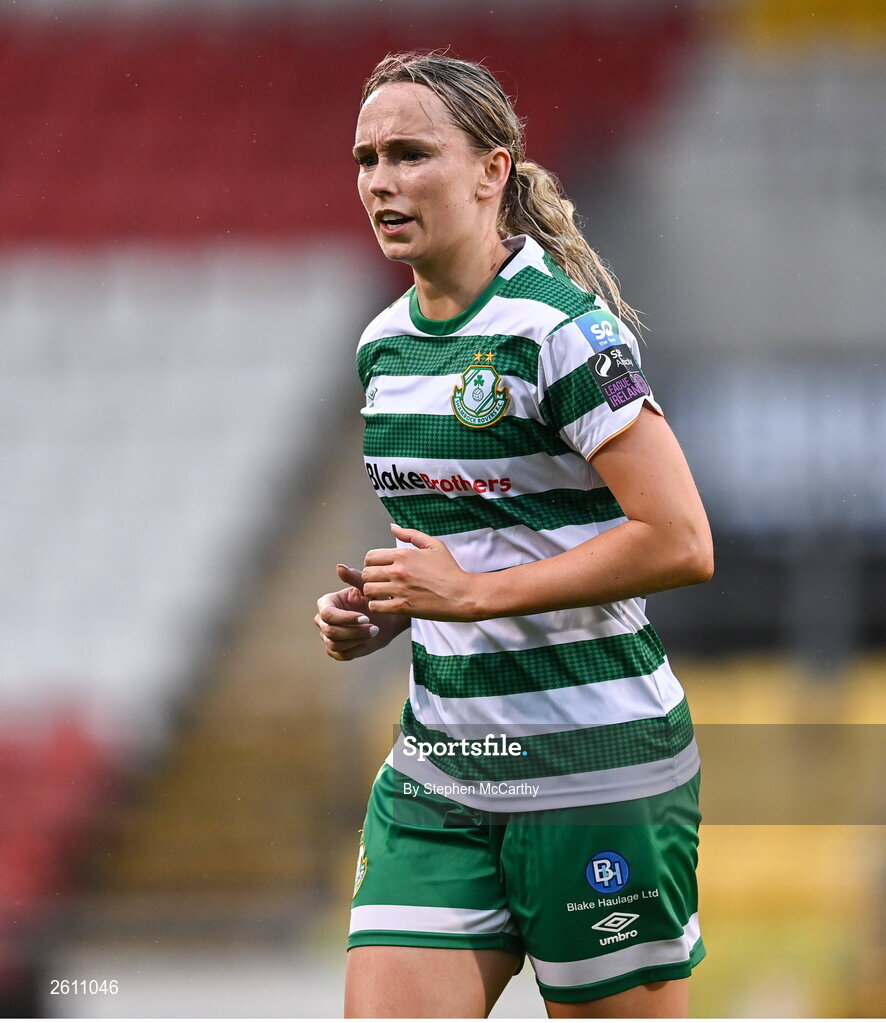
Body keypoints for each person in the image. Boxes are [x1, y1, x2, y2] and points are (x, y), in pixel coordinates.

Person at [314, 51, 713, 1019]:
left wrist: (473, 597)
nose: (381, 181)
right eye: (367, 158)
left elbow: (680, 540)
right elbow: (472, 551)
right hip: (441, 770)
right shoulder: (382, 347)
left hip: (595, 768)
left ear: (492, 170)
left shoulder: (561, 333)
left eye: (411, 153)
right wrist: (392, 613)